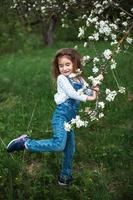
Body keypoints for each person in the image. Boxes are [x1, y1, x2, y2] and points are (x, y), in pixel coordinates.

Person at [7, 48, 102, 186]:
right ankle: (25, 143)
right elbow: (73, 94)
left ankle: (65, 177)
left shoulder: (80, 78)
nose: (64, 68)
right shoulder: (62, 79)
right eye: (61, 65)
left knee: (70, 149)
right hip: (61, 116)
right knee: (59, 145)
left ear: (76, 63)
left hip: (71, 119)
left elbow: (88, 91)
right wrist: (91, 98)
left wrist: (95, 86)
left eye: (67, 64)